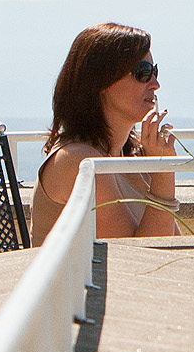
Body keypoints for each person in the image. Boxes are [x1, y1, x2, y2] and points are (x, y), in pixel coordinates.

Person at [30, 24, 182, 245]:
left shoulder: (130, 157)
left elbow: (174, 246)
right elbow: (138, 258)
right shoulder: (80, 162)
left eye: (154, 72)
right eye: (143, 73)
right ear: (101, 82)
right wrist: (164, 172)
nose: (155, 85)